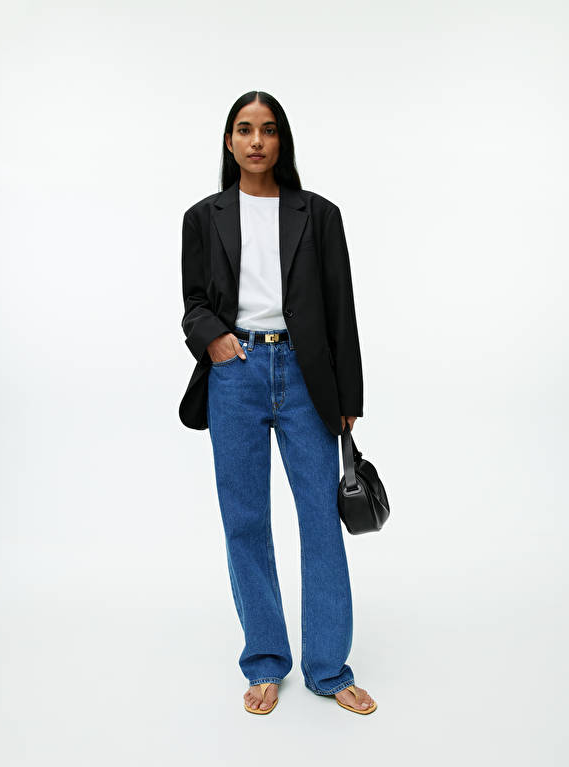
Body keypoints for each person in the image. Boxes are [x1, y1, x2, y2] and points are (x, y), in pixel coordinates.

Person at [179, 90, 376, 715]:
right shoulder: (202, 216)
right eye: (244, 129)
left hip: (305, 375)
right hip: (235, 374)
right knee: (245, 521)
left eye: (267, 130)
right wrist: (215, 341)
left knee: (320, 518)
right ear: (229, 141)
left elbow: (341, 307)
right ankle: (265, 661)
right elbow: (193, 303)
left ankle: (329, 668)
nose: (256, 141)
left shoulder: (319, 214)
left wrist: (348, 396)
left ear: (281, 140)